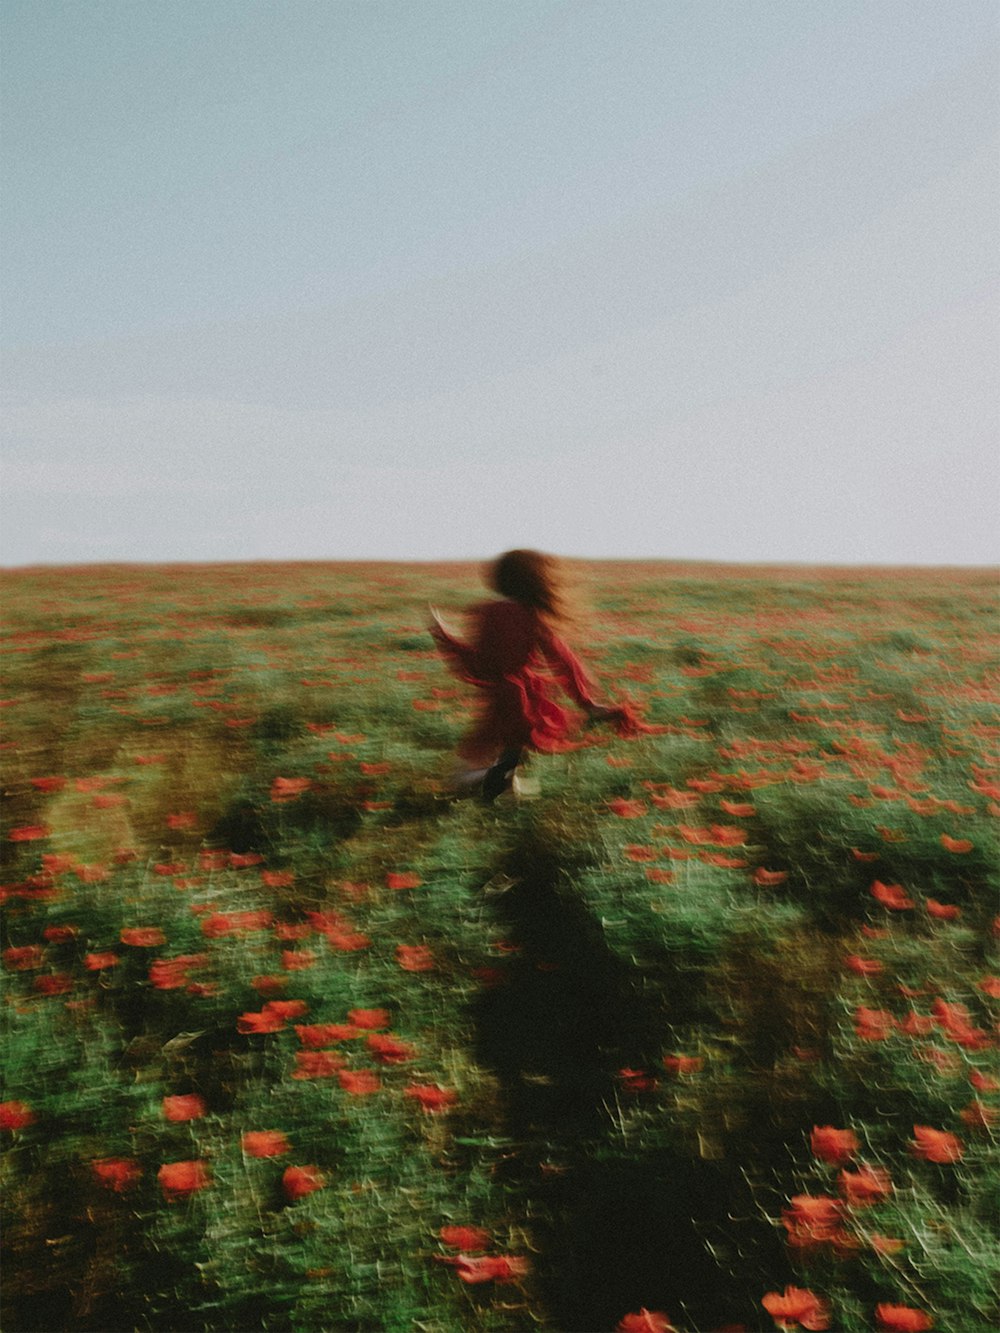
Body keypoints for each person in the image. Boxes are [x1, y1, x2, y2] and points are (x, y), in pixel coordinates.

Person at [429, 549, 642, 801]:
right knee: (513, 741)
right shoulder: (535, 616)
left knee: (464, 772)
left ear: (501, 579)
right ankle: (504, 787)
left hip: (503, 698)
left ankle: (492, 782)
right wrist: (586, 702)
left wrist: (445, 638)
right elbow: (564, 661)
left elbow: (482, 663)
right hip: (532, 699)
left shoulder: (491, 612)